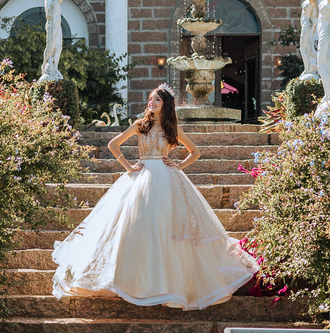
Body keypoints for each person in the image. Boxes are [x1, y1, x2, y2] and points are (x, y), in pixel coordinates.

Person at [52, 86, 259, 310]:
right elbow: (114, 144)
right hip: (141, 178)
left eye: (157, 99)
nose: (152, 102)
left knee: (166, 226)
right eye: (150, 99)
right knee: (136, 224)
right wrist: (127, 166)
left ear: (165, 104)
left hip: (166, 178)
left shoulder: (172, 129)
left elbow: (195, 152)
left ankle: (166, 285)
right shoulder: (141, 126)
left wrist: (179, 165)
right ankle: (129, 281)